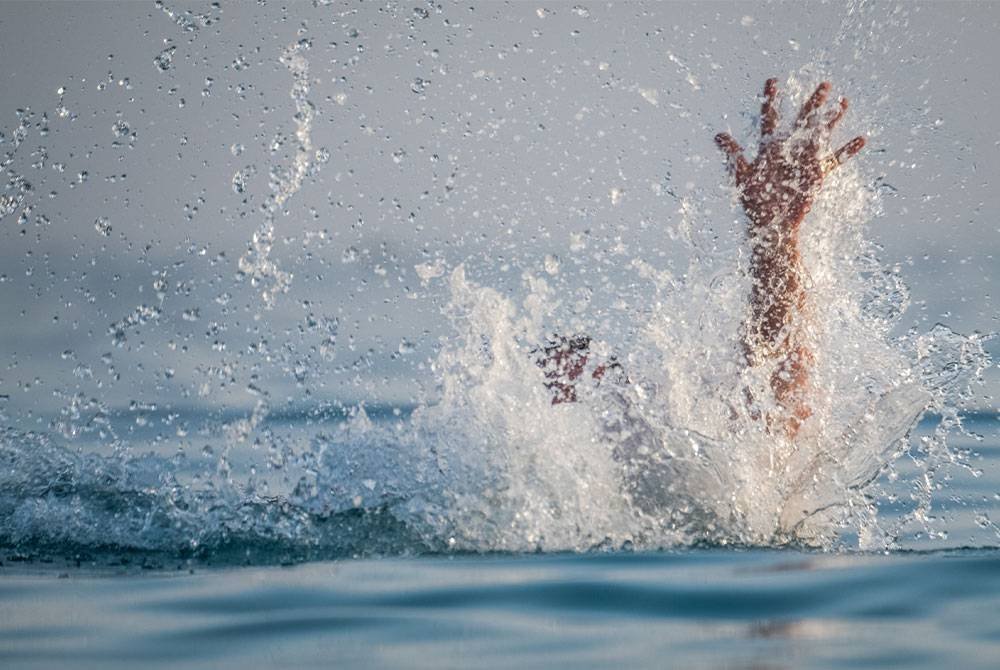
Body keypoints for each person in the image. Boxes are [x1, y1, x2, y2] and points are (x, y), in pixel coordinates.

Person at [538, 79, 865, 440]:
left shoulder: (662, 429)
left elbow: (775, 409)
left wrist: (775, 236)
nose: (556, 400)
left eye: (570, 381)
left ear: (603, 373)